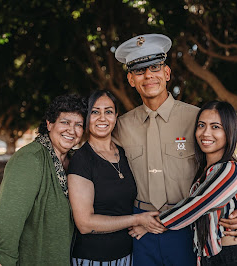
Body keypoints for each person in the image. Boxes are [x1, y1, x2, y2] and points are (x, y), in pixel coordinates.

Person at [113, 34, 237, 265]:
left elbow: (234, 165)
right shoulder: (121, 125)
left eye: (155, 67)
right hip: (141, 226)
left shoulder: (198, 119)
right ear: (131, 79)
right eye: (140, 71)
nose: (149, 76)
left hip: (188, 225)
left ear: (167, 73)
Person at [0, 94, 87, 266]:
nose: (72, 130)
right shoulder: (30, 160)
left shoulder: (76, 160)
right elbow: (8, 225)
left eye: (79, 125)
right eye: (65, 122)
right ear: (49, 124)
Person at [67, 90, 165, 266]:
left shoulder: (124, 153)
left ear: (116, 116)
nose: (102, 118)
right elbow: (85, 223)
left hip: (127, 255)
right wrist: (137, 219)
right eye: (95, 112)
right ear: (86, 117)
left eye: (109, 111)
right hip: (93, 259)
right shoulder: (81, 160)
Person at [159, 101, 237, 265]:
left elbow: (194, 207)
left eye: (215, 127)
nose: (205, 133)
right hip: (211, 258)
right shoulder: (205, 171)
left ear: (229, 132)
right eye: (201, 125)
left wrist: (147, 223)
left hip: (234, 257)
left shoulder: (229, 169)